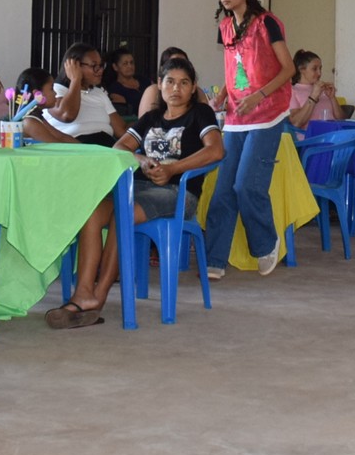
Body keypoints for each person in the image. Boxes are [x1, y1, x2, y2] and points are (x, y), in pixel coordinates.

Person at [34, 54, 228, 330]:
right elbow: (120, 148)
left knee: (121, 215)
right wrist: (143, 161)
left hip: (178, 193)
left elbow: (216, 150)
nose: (176, 89)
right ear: (159, 84)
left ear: (194, 86)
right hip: (138, 188)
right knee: (92, 212)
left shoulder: (200, 114)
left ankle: (96, 299)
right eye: (170, 82)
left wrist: (173, 170)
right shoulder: (151, 118)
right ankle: (84, 291)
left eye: (184, 83)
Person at [206, 0, 292, 279]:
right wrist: (224, 94)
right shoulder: (226, 27)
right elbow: (233, 67)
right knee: (223, 190)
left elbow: (288, 68)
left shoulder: (267, 23)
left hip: (268, 113)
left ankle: (266, 242)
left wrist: (259, 95)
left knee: (246, 186)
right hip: (236, 116)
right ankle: (215, 258)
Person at [43, 44, 129, 147]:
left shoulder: (99, 93)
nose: (100, 70)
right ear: (74, 66)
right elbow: (67, 115)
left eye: (101, 65)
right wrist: (75, 80)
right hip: (77, 149)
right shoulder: (55, 90)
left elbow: (121, 131)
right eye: (94, 66)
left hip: (106, 146)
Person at [287, 50, 340, 129]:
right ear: (301, 69)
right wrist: (313, 96)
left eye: (320, 68)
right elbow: (296, 123)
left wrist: (332, 98)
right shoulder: (292, 91)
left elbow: (342, 119)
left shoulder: (323, 89)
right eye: (314, 69)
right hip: (311, 138)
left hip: (333, 135)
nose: (319, 73)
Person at [102, 46, 146, 119]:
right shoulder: (115, 89)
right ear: (115, 67)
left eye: (131, 63)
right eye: (125, 63)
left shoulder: (144, 80)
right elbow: (124, 115)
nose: (130, 66)